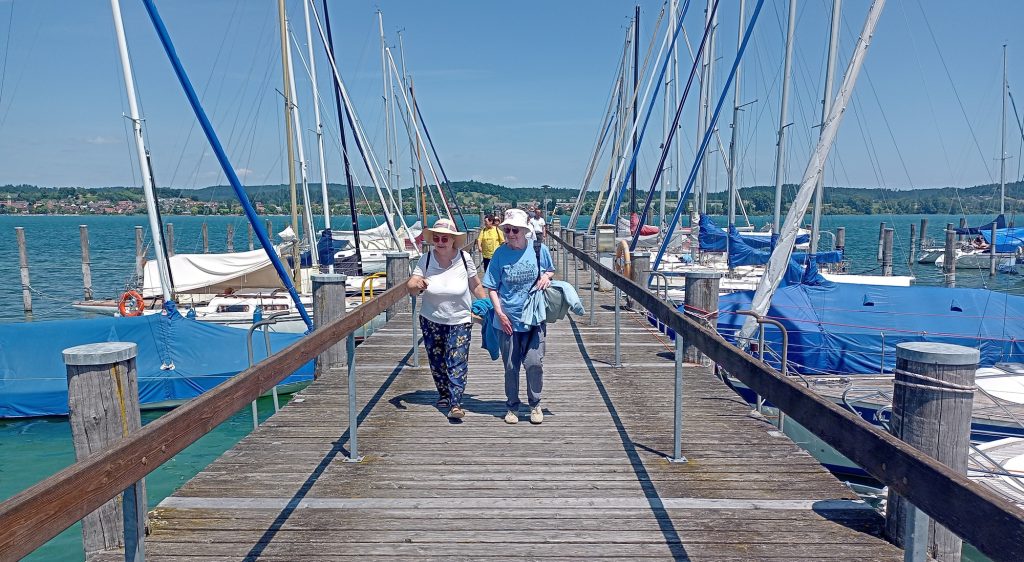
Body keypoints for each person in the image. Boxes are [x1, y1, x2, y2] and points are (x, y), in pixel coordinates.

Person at [482, 208, 555, 425]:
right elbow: (491, 287)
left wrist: (546, 277)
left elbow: (550, 269)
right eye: (507, 230)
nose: (511, 234)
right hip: (507, 319)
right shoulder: (499, 254)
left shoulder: (538, 249)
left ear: (525, 231)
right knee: (511, 366)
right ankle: (512, 406)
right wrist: (500, 313)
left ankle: (535, 404)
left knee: (534, 363)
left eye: (515, 230)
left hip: (534, 318)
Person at [407, 218, 486, 419]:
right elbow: (412, 285)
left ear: (453, 240)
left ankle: (456, 403)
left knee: (457, 360)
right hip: (431, 319)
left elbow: (475, 285)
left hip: (460, 319)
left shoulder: (464, 258)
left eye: (445, 238)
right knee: (437, 360)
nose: (440, 242)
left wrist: (488, 306)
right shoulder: (425, 259)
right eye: (437, 238)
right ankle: (443, 393)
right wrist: (417, 285)